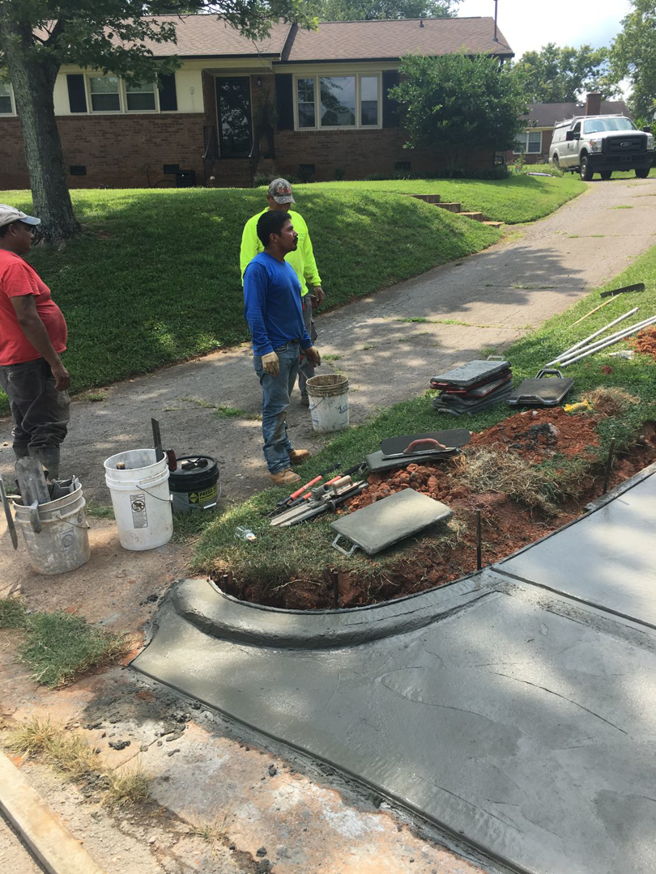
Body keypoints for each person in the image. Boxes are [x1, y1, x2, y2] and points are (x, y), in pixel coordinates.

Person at [243, 210, 321, 486]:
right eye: (289, 229)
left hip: (291, 349)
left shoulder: (286, 266)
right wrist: (265, 350)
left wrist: (307, 345)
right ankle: (277, 467)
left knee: (282, 406)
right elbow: (253, 312)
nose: (295, 233)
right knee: (274, 410)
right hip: (274, 353)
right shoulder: (258, 268)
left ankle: (286, 451)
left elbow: (295, 311)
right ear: (274, 237)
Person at [0, 205, 70, 480]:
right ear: (12, 230)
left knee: (26, 423)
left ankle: (30, 486)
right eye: (27, 228)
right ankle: (45, 493)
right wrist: (55, 364)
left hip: (10, 360)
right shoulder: (12, 265)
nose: (32, 234)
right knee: (46, 425)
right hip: (31, 360)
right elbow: (28, 317)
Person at [240, 178, 324, 406]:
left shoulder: (296, 222)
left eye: (288, 203)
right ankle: (278, 396)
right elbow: (248, 268)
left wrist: (314, 281)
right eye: (280, 202)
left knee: (304, 343)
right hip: (274, 299)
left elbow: (307, 254)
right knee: (280, 351)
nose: (285, 207)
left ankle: (308, 391)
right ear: (268, 198)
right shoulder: (256, 225)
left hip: (298, 293)